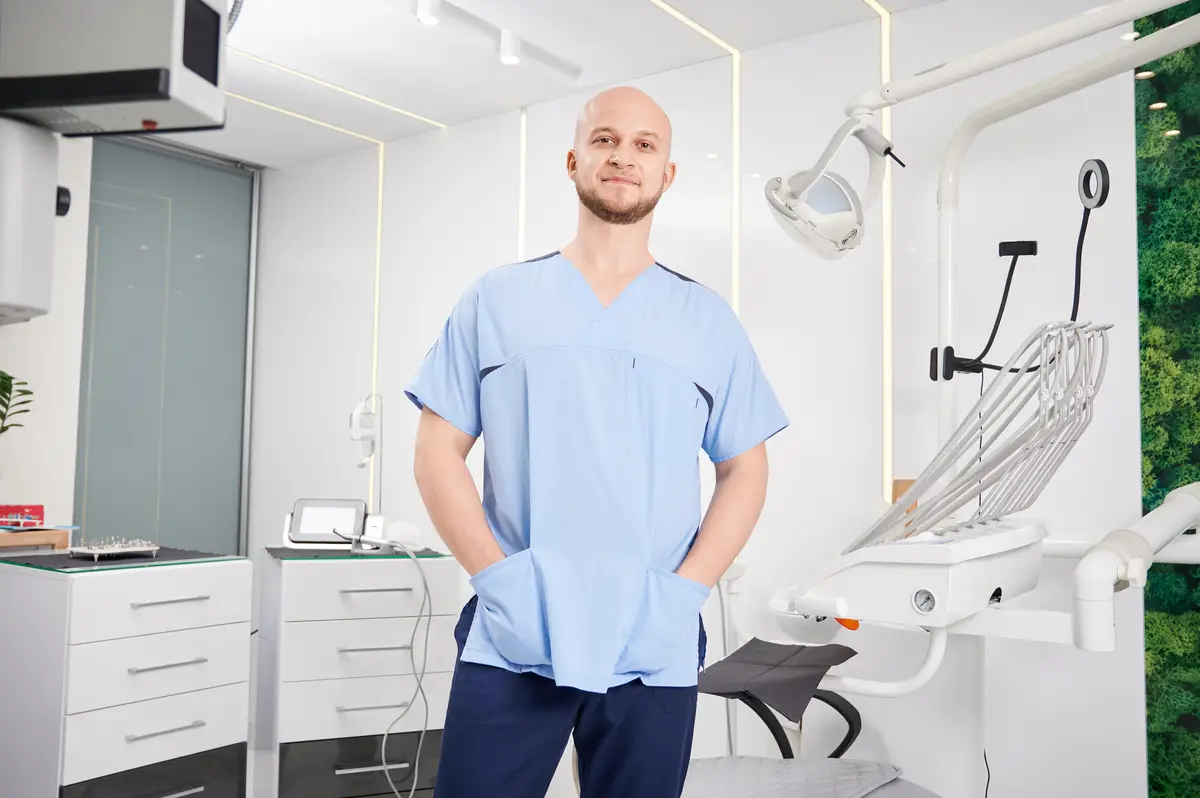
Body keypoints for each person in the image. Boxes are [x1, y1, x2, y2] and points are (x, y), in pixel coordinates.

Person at [405, 85, 789, 798]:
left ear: (667, 173)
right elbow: (436, 452)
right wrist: (499, 581)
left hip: (651, 634)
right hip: (516, 630)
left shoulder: (706, 320)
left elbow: (745, 468)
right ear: (574, 160)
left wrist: (683, 594)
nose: (623, 156)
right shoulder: (496, 300)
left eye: (645, 145)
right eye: (605, 139)